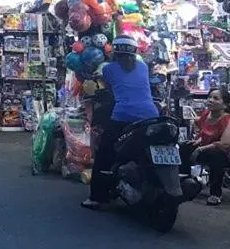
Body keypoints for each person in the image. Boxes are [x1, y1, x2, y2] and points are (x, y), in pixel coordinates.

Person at [82, 36, 161, 209]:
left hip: (123, 115)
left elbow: (109, 88)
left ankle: (96, 197)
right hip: (151, 115)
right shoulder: (143, 67)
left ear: (115, 52)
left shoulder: (109, 69)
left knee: (104, 152)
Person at [179, 87, 230, 205]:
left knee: (216, 156)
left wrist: (201, 148)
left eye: (215, 98)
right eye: (210, 97)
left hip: (222, 154)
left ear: (225, 104)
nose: (210, 100)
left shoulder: (227, 119)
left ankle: (215, 194)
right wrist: (198, 141)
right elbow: (204, 132)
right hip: (205, 149)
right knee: (184, 147)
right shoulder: (206, 114)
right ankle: (184, 183)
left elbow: (224, 144)